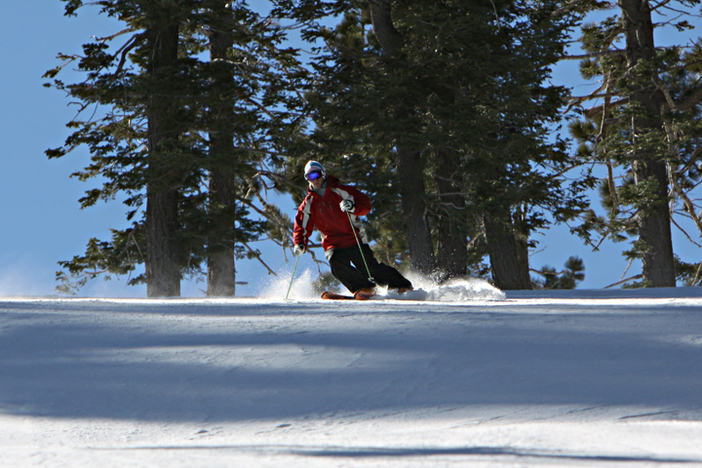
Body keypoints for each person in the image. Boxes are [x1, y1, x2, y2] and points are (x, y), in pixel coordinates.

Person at [293, 160, 413, 300]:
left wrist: (352, 207)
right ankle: (363, 287)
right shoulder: (308, 203)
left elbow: (365, 204)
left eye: (316, 175)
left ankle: (401, 285)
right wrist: (300, 243)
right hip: (332, 243)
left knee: (369, 268)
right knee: (336, 265)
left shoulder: (342, 191)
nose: (314, 180)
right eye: (310, 177)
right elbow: (301, 226)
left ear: (323, 174)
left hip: (353, 238)